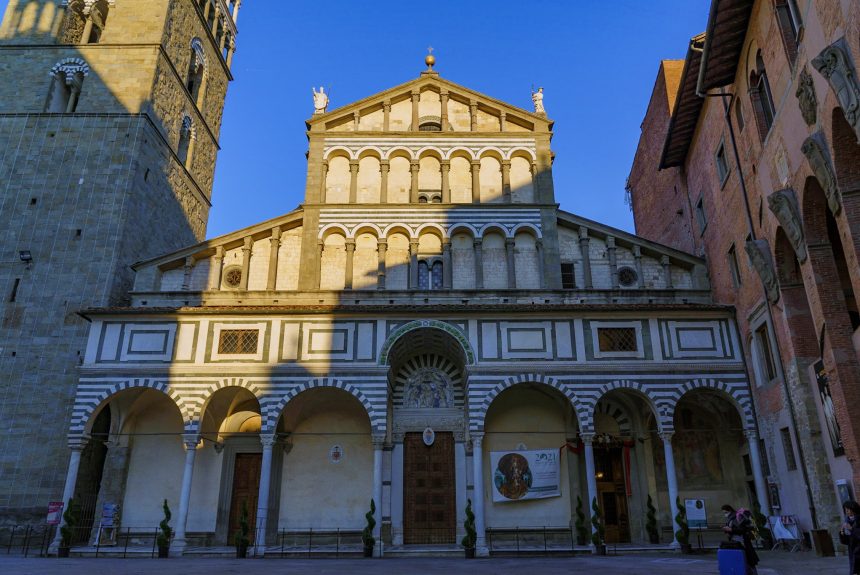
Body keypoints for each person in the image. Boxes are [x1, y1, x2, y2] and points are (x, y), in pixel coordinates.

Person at [722, 504, 760, 575]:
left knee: (748, 559)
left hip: (742, 541)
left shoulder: (736, 517)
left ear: (729, 510)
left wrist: (731, 529)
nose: (725, 514)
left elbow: (742, 529)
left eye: (725, 512)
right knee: (743, 560)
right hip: (736, 541)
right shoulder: (731, 518)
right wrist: (727, 530)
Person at [841, 500, 860, 575]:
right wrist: (842, 532)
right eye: (845, 510)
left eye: (848, 509)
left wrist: (852, 529)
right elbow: (846, 541)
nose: (847, 511)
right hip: (853, 550)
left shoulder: (859, 519)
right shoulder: (847, 520)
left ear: (853, 509)